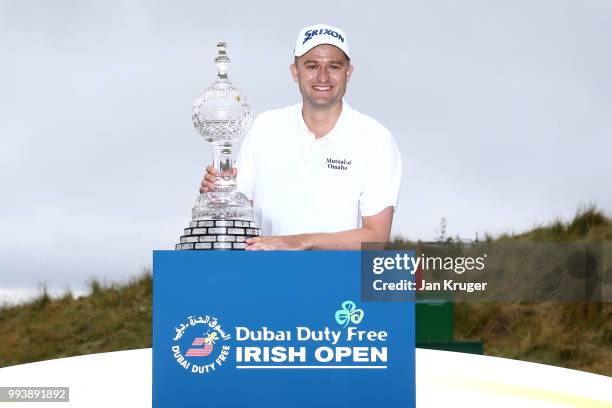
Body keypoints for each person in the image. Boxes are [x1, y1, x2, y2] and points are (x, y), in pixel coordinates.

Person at [200, 24, 402, 250]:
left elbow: (375, 239)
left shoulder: (375, 139)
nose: (323, 77)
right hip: (266, 277)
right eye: (312, 66)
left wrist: (298, 242)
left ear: (348, 72)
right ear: (295, 72)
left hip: (341, 281)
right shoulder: (265, 128)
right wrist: (217, 192)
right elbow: (237, 213)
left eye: (333, 66)